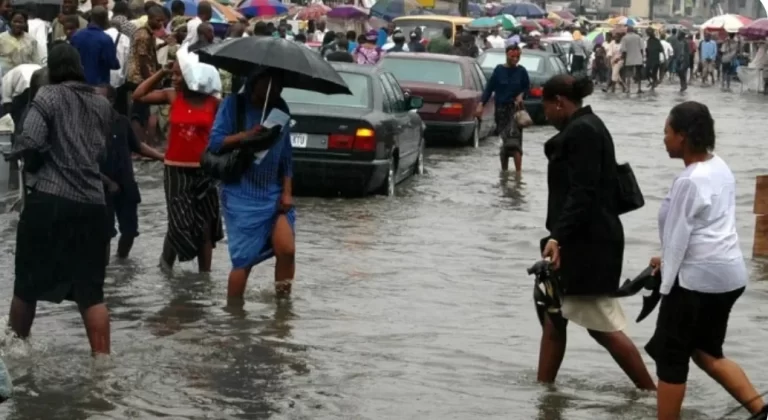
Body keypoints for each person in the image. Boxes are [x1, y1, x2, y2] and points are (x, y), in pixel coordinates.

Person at [647, 101, 766, 420]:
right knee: (705, 350)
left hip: (695, 282)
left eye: (666, 132)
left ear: (683, 137)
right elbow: (706, 226)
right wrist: (667, 258)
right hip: (728, 277)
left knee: (671, 357)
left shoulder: (689, 180)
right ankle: (761, 411)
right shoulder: (719, 166)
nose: (664, 138)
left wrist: (665, 287)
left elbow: (678, 237)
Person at [538, 74, 656, 391]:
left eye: (546, 107)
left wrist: (557, 237)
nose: (545, 114)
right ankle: (544, 395)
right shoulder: (589, 126)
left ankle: (652, 395)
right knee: (554, 316)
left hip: (586, 243)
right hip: (581, 237)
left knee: (601, 326)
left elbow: (582, 193)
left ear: (559, 102)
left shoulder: (582, 132)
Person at [8, 43, 114, 355]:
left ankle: (16, 357)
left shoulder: (48, 95)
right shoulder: (102, 104)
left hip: (51, 202)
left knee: (26, 286)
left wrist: (17, 152)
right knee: (91, 293)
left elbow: (31, 141)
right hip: (94, 205)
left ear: (51, 71)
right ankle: (102, 367)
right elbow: (100, 152)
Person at [208, 68, 296, 301]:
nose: (273, 89)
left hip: (273, 191)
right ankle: (235, 316)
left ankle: (282, 310)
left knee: (287, 250)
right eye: (267, 83)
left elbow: (286, 154)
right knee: (243, 260)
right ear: (253, 81)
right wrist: (246, 135)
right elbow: (216, 142)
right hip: (240, 193)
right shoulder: (233, 105)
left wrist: (287, 192)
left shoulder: (281, 109)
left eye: (278, 84)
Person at [132, 59, 222, 272]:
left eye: (179, 74)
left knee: (205, 224)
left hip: (204, 168)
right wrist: (162, 71)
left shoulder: (214, 102)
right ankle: (166, 264)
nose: (174, 78)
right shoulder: (173, 96)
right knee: (179, 221)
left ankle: (204, 276)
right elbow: (138, 95)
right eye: (173, 74)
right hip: (175, 168)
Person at [97, 84, 164, 259]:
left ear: (111, 101)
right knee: (104, 233)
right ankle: (104, 272)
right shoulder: (88, 124)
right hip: (101, 185)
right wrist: (106, 182)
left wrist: (162, 157)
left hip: (126, 183)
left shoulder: (122, 121)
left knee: (130, 231)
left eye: (99, 98)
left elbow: (138, 146)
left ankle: (121, 262)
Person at [477, 44, 529, 173]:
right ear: (507, 55)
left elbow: (527, 88)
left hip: (515, 111)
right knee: (504, 143)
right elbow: (489, 89)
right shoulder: (499, 70)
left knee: (515, 143)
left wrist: (521, 95)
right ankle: (504, 172)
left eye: (518, 56)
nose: (515, 59)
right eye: (513, 56)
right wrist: (481, 104)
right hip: (500, 111)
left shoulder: (522, 71)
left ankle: (518, 174)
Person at [71, 7, 120, 86]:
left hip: (78, 85)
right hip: (98, 87)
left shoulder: (76, 36)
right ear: (105, 19)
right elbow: (112, 63)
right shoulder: (105, 39)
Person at [620, 26, 644, 94]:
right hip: (638, 58)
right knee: (639, 74)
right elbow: (642, 48)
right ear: (633, 30)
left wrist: (624, 60)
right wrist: (642, 58)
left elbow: (623, 50)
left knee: (628, 75)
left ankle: (628, 89)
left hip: (629, 58)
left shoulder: (624, 38)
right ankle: (639, 89)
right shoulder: (638, 37)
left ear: (627, 31)